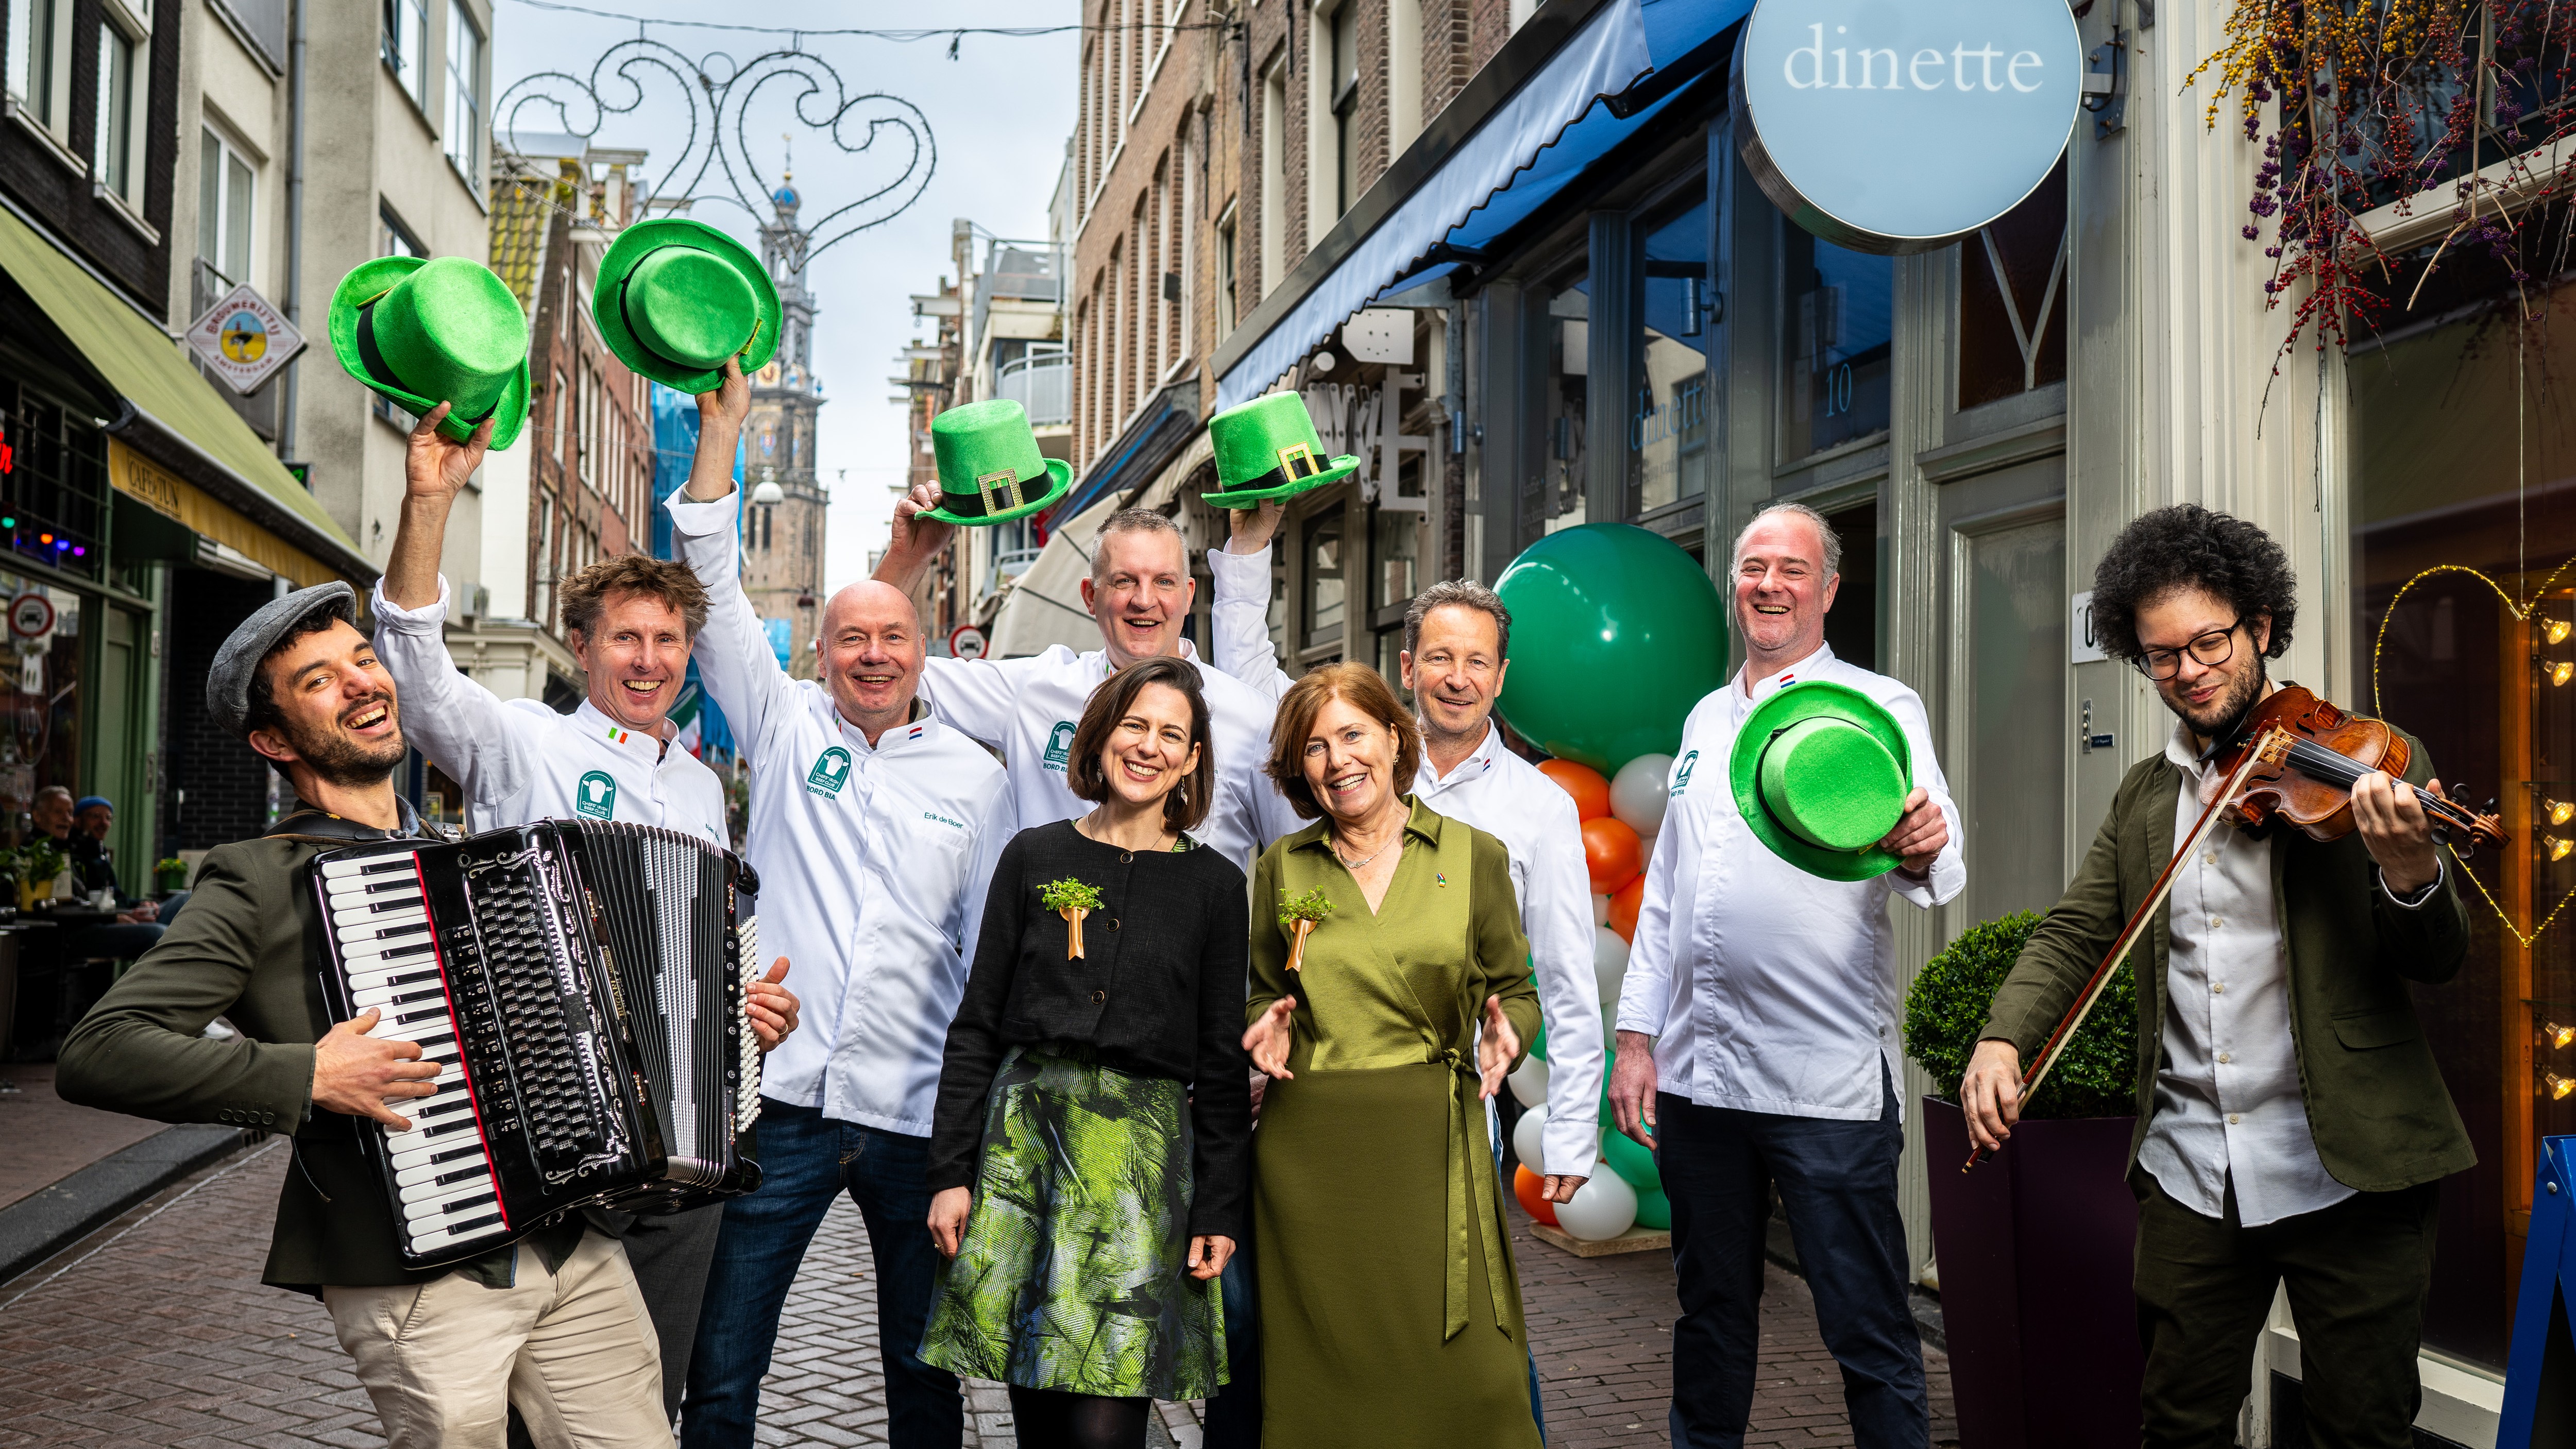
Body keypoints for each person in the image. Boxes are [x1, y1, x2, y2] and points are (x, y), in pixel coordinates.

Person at [57, 578, 679, 1449]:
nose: (361, 681)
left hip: (572, 1244)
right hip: (417, 1269)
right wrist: (307, 1074)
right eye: (319, 679)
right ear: (272, 738)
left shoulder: (469, 860)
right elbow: (100, 1049)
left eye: (362, 658)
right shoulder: (257, 879)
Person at [1960, 505, 2470, 1449]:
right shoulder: (2150, 795)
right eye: (2162, 655)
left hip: (2348, 1170)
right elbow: (2079, 926)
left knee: (2363, 1428)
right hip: (2195, 1170)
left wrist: (2411, 874)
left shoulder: (2365, 763)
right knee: (2180, 1422)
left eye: (2210, 642)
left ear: (2262, 628)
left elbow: (2438, 959)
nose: (2189, 672)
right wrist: (2004, 1035)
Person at [373, 400, 801, 1436]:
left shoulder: (702, 790)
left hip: (672, 1156)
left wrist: (748, 1011)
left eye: (667, 641)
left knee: (638, 1407)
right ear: (583, 647)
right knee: (507, 1404)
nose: (649, 660)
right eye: (626, 639)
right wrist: (428, 500)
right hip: (537, 1133)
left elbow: (699, 956)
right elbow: (417, 674)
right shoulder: (522, 742)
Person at [876, 462, 1296, 1449]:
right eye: (1124, 582)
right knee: (1038, 1405)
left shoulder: (1232, 769)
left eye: (1162, 582)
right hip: (1029, 1138)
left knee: (1140, 1402)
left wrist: (1290, 1008)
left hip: (1155, 1146)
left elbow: (1315, 847)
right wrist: (911, 554)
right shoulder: (1036, 790)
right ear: (1092, 593)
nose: (1143, 600)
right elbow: (888, 660)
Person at [668, 361, 1017, 1449]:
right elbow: (715, 582)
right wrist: (720, 434)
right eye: (853, 639)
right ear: (818, 654)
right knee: (723, 1364)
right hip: (782, 1107)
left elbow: (986, 959)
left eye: (894, 638)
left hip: (919, 1114)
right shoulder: (781, 728)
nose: (874, 654)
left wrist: (981, 1123)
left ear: (928, 657)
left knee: (925, 1372)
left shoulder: (978, 777)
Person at [1608, 501, 1962, 1449]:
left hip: (1827, 1084)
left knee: (1867, 1325)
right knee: (1710, 1315)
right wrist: (1636, 1037)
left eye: (1792, 569)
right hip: (1698, 1077)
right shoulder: (1702, 718)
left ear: (1829, 589)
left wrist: (1921, 843)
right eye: (1754, 567)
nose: (1770, 584)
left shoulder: (1878, 708)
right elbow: (1669, 898)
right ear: (1735, 585)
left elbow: (1938, 857)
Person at [1211, 505, 1602, 1208]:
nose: (1458, 678)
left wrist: (1572, 1131)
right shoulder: (1352, 766)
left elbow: (1569, 982)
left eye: (1477, 661)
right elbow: (1249, 688)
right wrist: (1247, 550)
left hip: (1444, 1103)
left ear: (1501, 676)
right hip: (1315, 1095)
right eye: (1440, 657)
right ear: (1407, 665)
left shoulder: (1541, 808)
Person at [920, 655, 1251, 1449]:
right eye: (1135, 724)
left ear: (1194, 758)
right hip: (1023, 1154)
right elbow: (976, 1027)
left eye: (1173, 733)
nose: (1150, 745)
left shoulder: (1215, 884)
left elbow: (1220, 1059)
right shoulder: (1032, 855)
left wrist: (1217, 1208)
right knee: (1035, 1409)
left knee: (1108, 1420)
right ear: (1101, 736)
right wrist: (950, 1173)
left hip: (1140, 1171)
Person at [1240, 662, 1543, 1448]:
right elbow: (1261, 991)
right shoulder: (1283, 867)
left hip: (1432, 1146)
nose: (1337, 759)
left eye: (1352, 734)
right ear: (1297, 768)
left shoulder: (1475, 854)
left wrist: (1509, 1029)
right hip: (1311, 1156)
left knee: (1476, 1380)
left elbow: (1515, 987)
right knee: (1326, 1384)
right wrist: (1263, 1023)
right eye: (1314, 747)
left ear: (1392, 737)